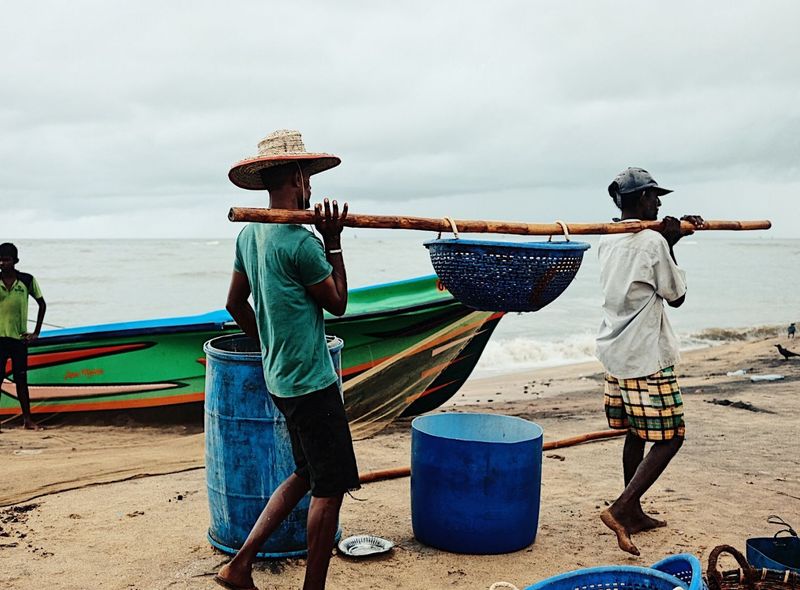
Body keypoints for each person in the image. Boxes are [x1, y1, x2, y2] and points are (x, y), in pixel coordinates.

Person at [215, 130, 360, 590]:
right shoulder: (299, 243)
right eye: (309, 176)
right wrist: (332, 240)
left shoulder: (251, 234)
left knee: (305, 472)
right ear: (298, 177)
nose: (312, 187)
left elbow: (236, 304)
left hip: (281, 380)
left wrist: (270, 344)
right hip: (312, 383)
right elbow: (337, 303)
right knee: (329, 486)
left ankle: (239, 565)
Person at [595, 167, 704, 556]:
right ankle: (622, 509)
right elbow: (676, 295)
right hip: (645, 355)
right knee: (671, 436)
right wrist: (670, 243)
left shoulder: (607, 240)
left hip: (615, 350)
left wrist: (669, 236)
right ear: (641, 200)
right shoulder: (652, 244)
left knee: (638, 431)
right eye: (654, 197)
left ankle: (634, 511)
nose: (659, 203)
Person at [0, 243, 46, 432]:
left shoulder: (27, 280)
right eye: (0, 260)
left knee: (21, 380)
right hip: (0, 339)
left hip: (19, 340)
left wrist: (36, 332)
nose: (3, 263)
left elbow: (42, 304)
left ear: (15, 260)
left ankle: (28, 420)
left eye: (7, 260)